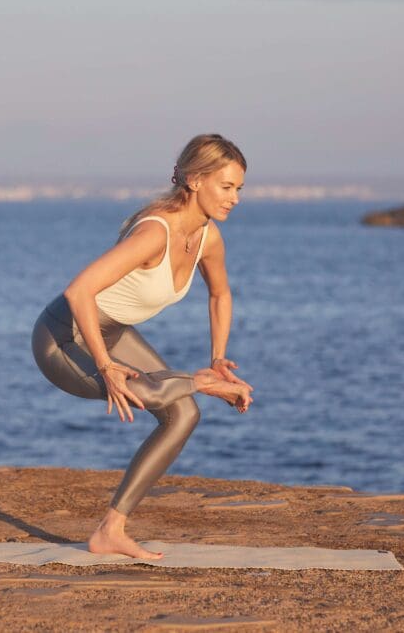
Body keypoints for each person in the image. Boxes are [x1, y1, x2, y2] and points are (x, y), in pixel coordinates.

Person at [30, 133, 254, 559]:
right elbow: (79, 292)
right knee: (150, 392)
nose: (235, 199)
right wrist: (106, 366)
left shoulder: (207, 238)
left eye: (239, 189)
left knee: (182, 413)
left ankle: (111, 529)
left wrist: (218, 355)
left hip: (113, 331)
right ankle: (202, 382)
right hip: (62, 339)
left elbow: (220, 294)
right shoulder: (155, 232)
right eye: (226, 187)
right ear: (194, 180)